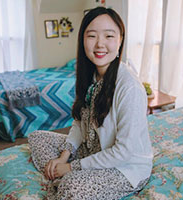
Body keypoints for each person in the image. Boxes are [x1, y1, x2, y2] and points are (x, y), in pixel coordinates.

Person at [28, 6, 153, 200]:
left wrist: (70, 168)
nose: (100, 44)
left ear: (120, 41)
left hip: (125, 167)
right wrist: (64, 156)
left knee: (71, 187)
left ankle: (63, 182)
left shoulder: (130, 88)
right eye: (92, 36)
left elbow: (123, 152)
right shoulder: (91, 76)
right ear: (82, 41)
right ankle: (61, 177)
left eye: (109, 36)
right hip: (93, 150)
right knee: (37, 137)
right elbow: (80, 122)